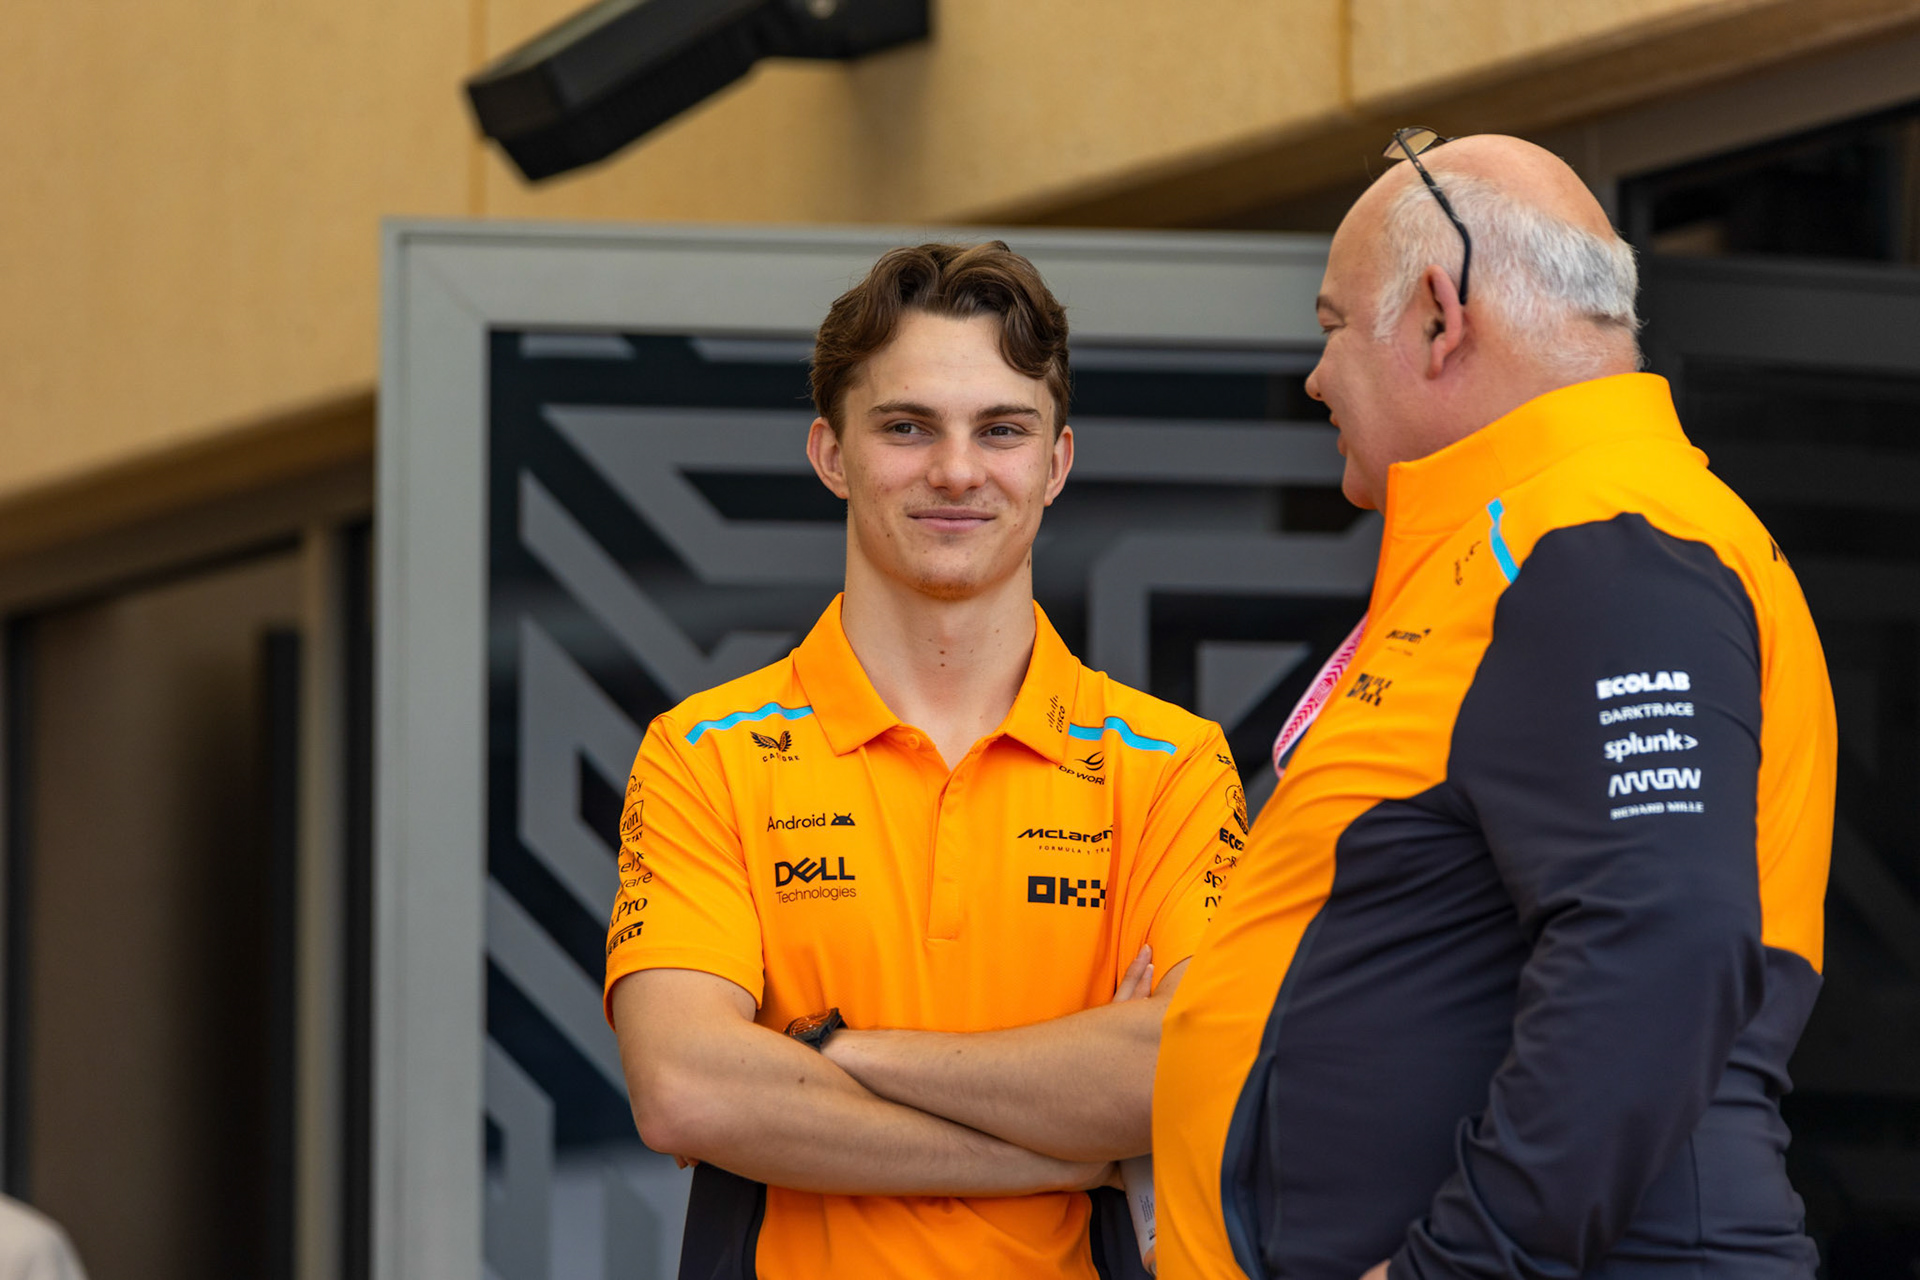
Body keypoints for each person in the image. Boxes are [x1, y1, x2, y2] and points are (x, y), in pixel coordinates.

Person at [1152, 132, 1836, 1280]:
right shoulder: (1540, 547)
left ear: (1436, 315)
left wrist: (1461, 1266)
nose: (1315, 377)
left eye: (1329, 326)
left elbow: (1661, 937)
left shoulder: (1609, 542)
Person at [603, 241, 1245, 1279]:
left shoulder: (1168, 763)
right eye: (907, 427)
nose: (955, 469)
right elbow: (689, 1087)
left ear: (1056, 462)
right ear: (832, 454)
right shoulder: (706, 756)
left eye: (1001, 428)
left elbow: (1189, 1065)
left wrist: (828, 1051)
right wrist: (1067, 1141)